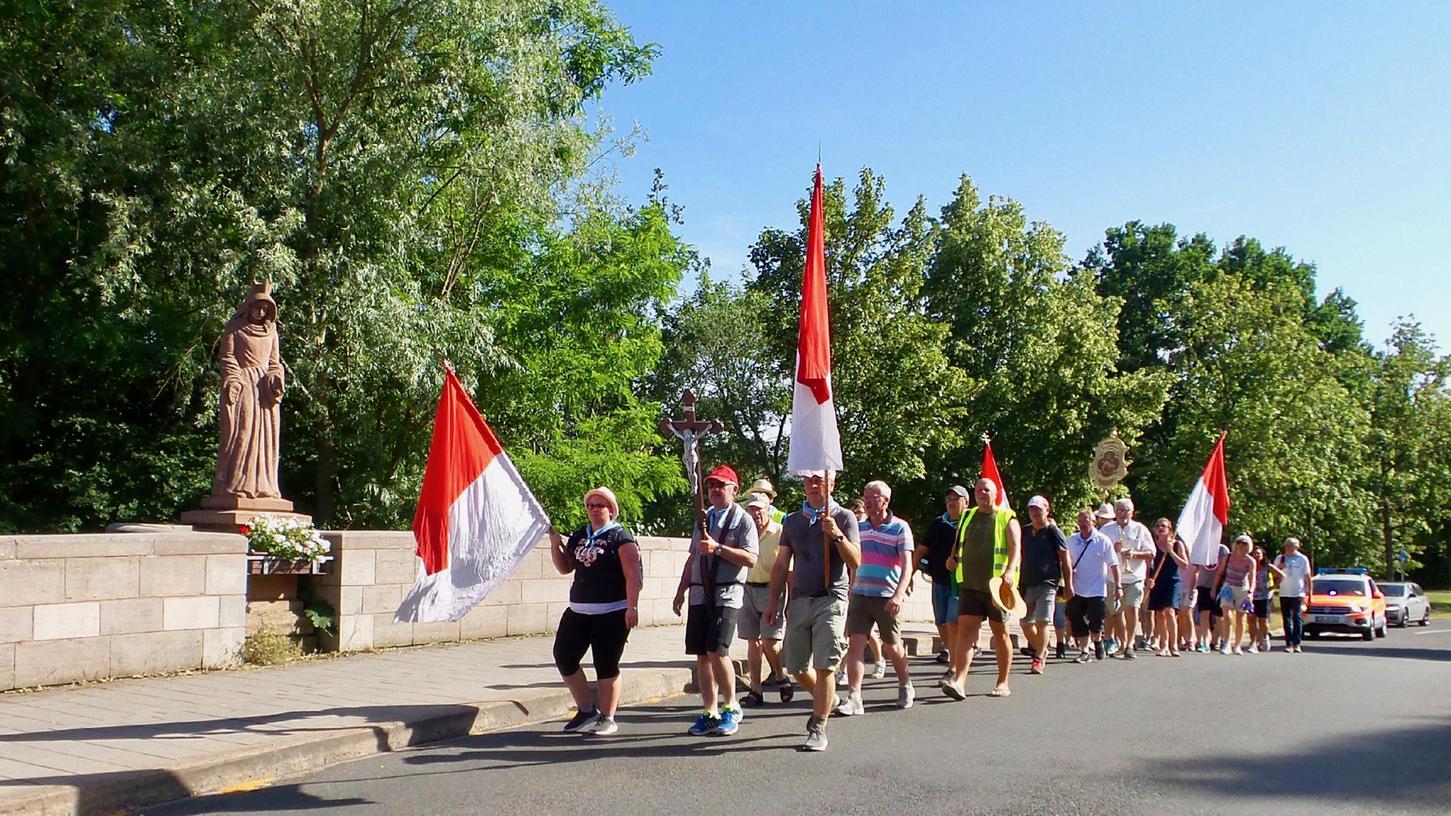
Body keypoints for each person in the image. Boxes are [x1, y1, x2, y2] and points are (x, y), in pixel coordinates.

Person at [765, 469, 861, 752]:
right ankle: (826, 700)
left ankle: (818, 725)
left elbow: (855, 561)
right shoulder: (793, 521)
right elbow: (782, 564)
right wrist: (773, 603)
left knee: (825, 665)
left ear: (832, 482)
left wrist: (836, 535)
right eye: (808, 480)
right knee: (794, 666)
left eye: (819, 479)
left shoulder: (844, 517)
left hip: (831, 598)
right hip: (800, 600)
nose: (813, 485)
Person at [549, 486, 642, 736]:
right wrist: (555, 544)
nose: (593, 509)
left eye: (599, 505)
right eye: (590, 505)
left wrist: (632, 606)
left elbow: (633, 575)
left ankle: (608, 716)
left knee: (606, 664)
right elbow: (565, 567)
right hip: (579, 609)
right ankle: (586, 709)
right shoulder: (580, 535)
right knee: (564, 656)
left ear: (610, 510)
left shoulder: (621, 537)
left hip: (612, 610)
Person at [673, 465, 758, 736]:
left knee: (717, 649)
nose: (715, 491)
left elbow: (751, 558)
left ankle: (731, 706)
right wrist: (681, 590)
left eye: (721, 486)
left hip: (727, 592)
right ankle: (709, 710)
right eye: (711, 486)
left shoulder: (743, 520)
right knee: (701, 654)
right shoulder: (703, 518)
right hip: (700, 593)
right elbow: (693, 556)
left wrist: (719, 549)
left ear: (734, 489)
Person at [836, 481, 916, 715]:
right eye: (866, 496)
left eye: (874, 496)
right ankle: (854, 697)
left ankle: (905, 684)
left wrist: (899, 595)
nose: (869, 501)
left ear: (886, 501)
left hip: (887, 596)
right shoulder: (858, 528)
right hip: (860, 594)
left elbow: (907, 566)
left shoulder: (900, 528)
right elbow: (850, 561)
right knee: (855, 645)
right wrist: (849, 590)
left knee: (892, 645)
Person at [941, 478, 1021, 700]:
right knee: (965, 632)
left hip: (997, 588)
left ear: (995, 493)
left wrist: (1009, 571)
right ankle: (959, 682)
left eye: (987, 489)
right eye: (978, 489)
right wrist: (952, 557)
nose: (982, 493)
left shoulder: (1007, 517)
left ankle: (1002, 681)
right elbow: (959, 541)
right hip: (970, 585)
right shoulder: (967, 515)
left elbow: (1016, 549)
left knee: (1000, 633)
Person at [213, 282, 287, 500]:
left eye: (266, 309)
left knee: (266, 437)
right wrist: (233, 380)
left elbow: (275, 362)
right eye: (258, 307)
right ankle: (236, 485)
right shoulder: (234, 329)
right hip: (244, 385)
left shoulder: (271, 332)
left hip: (265, 391)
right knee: (242, 433)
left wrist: (275, 377)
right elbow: (227, 358)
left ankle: (265, 487)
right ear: (249, 307)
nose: (261, 312)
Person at [738, 493, 791, 706]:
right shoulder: (743, 532)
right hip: (747, 589)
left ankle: (780, 675)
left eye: (759, 509)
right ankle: (756, 689)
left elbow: (788, 569)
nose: (755, 513)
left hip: (773, 589)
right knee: (752, 641)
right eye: (751, 509)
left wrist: (790, 601)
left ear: (769, 509)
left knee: (770, 642)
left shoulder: (780, 533)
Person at [913, 485, 968, 675]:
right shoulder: (937, 524)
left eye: (956, 498)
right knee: (941, 622)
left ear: (966, 502)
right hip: (939, 580)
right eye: (949, 499)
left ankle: (954, 665)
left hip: (962, 583)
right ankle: (954, 654)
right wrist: (909, 575)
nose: (952, 502)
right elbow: (922, 549)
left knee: (953, 621)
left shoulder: (971, 522)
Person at [1019, 495, 1070, 675]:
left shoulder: (1053, 531)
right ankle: (1042, 647)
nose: (1034, 512)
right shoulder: (1024, 531)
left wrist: (1068, 585)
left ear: (1047, 510)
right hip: (1027, 584)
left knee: (1042, 622)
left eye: (1038, 509)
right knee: (1025, 623)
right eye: (1032, 509)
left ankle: (1038, 658)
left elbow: (1065, 559)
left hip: (1049, 583)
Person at [1100, 498, 1154, 660]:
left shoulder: (1140, 529)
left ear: (1132, 512)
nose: (1123, 514)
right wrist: (1113, 549)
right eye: (1120, 510)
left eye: (1126, 510)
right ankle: (1119, 642)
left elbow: (1151, 553)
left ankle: (1129, 645)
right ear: (1115, 513)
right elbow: (1097, 552)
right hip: (1112, 577)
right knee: (1115, 612)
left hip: (1135, 576)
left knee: (1132, 609)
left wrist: (1135, 554)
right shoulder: (1106, 530)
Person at [1065, 508, 1121, 663]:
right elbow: (1066, 562)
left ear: (1094, 522)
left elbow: (1114, 565)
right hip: (1077, 588)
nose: (1083, 524)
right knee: (1077, 619)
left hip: (1096, 589)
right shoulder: (1072, 540)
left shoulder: (1102, 540)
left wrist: (1118, 586)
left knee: (1096, 620)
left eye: (1086, 520)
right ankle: (1084, 651)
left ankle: (1097, 641)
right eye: (1080, 521)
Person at [1144, 518, 1189, 657]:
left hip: (1173, 582)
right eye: (1157, 526)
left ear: (1169, 529)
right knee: (1160, 614)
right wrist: (1147, 580)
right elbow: (1147, 566)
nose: (1160, 528)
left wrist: (1171, 552)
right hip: (1158, 582)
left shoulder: (1177, 545)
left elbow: (1184, 565)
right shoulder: (1152, 545)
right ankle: (1164, 646)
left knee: (1170, 612)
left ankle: (1173, 644)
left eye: (1163, 526)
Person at [1214, 535, 1257, 655]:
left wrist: (1251, 593)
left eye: (1244, 543)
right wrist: (1214, 588)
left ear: (1248, 546)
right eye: (1238, 542)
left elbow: (1252, 577)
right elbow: (1219, 572)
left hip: (1242, 589)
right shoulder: (1228, 557)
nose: (1241, 545)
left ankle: (1237, 645)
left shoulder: (1250, 561)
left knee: (1241, 617)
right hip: (1228, 588)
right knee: (1227, 615)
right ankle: (1226, 643)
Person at [1269, 537, 1312, 653]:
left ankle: (1297, 643)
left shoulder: (1302, 559)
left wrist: (1310, 591)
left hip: (1298, 592)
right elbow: (1273, 572)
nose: (1289, 547)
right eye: (1287, 545)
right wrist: (1279, 567)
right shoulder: (1280, 558)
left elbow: (1307, 576)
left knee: (1297, 617)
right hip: (1284, 592)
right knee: (1286, 618)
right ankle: (1289, 643)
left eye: (1292, 545)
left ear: (1297, 547)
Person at [1192, 538, 1231, 653]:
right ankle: (1205, 642)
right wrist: (1191, 588)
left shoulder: (1223, 550)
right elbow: (1196, 569)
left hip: (1219, 586)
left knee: (1219, 615)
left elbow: (1223, 568)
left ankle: (1222, 640)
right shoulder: (1200, 549)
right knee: (1204, 613)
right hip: (1203, 584)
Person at [1250, 545, 1273, 653]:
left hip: (1264, 596)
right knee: (1251, 619)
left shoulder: (1267, 566)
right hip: (1251, 596)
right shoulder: (1249, 565)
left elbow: (1281, 575)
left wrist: (1273, 587)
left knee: (1263, 620)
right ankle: (1253, 641)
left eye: (1258, 553)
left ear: (1263, 555)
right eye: (1254, 553)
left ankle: (1265, 637)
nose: (1256, 555)